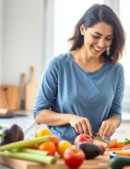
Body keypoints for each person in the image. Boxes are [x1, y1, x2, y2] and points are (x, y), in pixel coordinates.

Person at [33, 4, 125, 144]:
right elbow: (39, 113)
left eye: (108, 38)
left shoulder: (116, 70)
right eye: (96, 36)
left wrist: (112, 122)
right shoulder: (59, 64)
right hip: (62, 148)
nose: (101, 44)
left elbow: (116, 113)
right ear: (82, 29)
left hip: (99, 149)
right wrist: (70, 118)